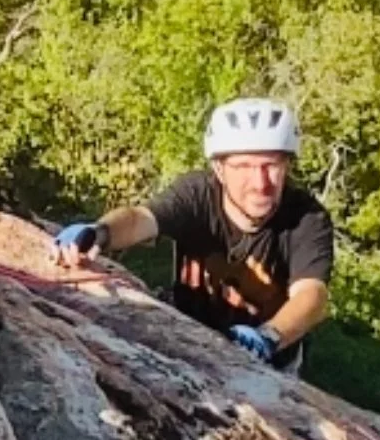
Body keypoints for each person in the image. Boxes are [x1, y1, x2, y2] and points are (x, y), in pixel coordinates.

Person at [53, 98, 333, 370]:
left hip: (267, 359)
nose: (260, 183)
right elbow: (140, 220)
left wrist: (269, 336)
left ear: (287, 166)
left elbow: (311, 295)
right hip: (189, 339)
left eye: (272, 165)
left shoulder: (306, 219)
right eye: (244, 167)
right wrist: (100, 232)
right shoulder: (197, 194)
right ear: (219, 169)